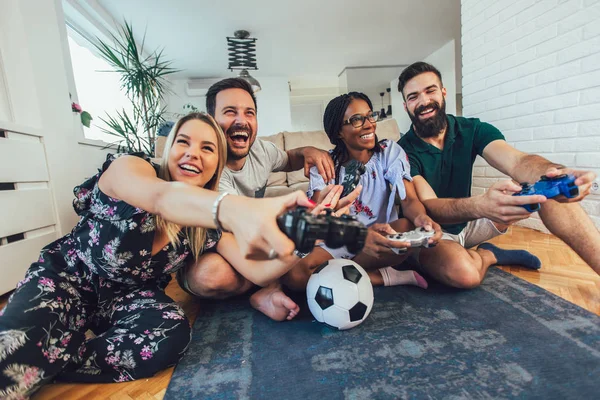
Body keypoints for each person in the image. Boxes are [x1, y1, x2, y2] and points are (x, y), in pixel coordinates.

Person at [0, 112, 314, 398]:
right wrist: (234, 209)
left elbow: (258, 271)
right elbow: (162, 197)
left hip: (130, 298)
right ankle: (41, 350)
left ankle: (51, 355)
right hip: (68, 278)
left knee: (172, 334)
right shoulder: (131, 167)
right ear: (169, 148)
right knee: (7, 365)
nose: (193, 152)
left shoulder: (205, 226)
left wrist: (307, 235)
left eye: (207, 148)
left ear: (217, 164)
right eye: (183, 142)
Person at [396, 61, 600, 288]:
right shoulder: (401, 151)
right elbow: (429, 206)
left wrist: (557, 173)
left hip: (471, 223)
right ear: (406, 106)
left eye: (430, 90)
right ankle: (489, 255)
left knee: (547, 186)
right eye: (413, 97)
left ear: (443, 93)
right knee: (464, 275)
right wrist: (480, 205)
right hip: (434, 233)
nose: (424, 101)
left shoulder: (472, 129)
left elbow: (519, 161)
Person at [177, 78, 360, 318]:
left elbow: (289, 158)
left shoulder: (261, 151)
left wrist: (308, 151)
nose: (241, 120)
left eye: (249, 112)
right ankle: (269, 287)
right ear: (211, 121)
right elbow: (248, 224)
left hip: (250, 243)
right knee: (210, 274)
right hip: (213, 247)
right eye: (230, 112)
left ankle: (267, 287)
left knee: (288, 259)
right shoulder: (209, 170)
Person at [282, 92, 443, 293]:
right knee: (294, 276)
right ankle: (378, 276)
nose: (369, 125)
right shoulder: (324, 165)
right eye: (357, 120)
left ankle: (341, 275)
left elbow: (409, 199)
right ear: (339, 131)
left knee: (407, 227)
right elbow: (317, 222)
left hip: (381, 235)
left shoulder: (388, 152)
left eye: (369, 116)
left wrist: (422, 218)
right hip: (339, 239)